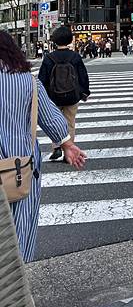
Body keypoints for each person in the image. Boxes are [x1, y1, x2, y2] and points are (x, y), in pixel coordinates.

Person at [0, 31, 86, 262]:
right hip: (21, 168)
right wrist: (67, 144)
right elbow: (50, 118)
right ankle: (17, 280)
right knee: (21, 226)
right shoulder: (27, 80)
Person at [38, 26, 90, 162]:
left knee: (54, 120)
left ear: (54, 41)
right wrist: (84, 92)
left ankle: (56, 147)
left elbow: (42, 79)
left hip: (53, 97)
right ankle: (69, 152)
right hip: (72, 96)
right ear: (70, 40)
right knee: (70, 122)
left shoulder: (49, 58)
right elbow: (83, 76)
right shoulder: (75, 56)